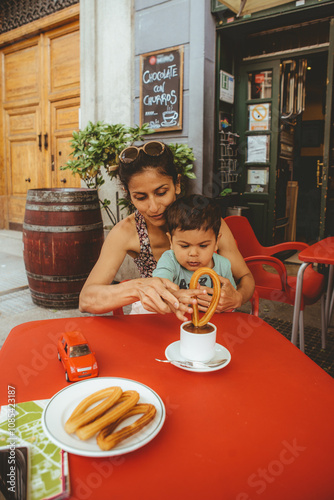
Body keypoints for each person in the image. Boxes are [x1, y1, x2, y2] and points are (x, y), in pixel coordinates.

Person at [79, 140, 255, 319]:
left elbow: (246, 278)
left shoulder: (207, 223)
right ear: (129, 195)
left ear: (177, 184)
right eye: (141, 197)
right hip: (157, 323)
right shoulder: (126, 232)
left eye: (161, 192)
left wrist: (238, 297)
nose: (154, 207)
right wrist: (138, 288)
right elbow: (86, 300)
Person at [152, 195, 236, 311]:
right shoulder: (170, 260)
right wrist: (171, 293)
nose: (193, 253)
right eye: (184, 246)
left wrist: (227, 303)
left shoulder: (223, 265)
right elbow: (159, 284)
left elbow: (230, 299)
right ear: (171, 241)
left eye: (203, 246)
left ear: (217, 242)